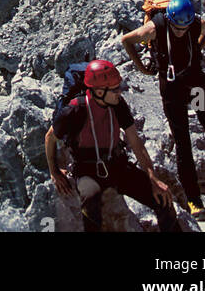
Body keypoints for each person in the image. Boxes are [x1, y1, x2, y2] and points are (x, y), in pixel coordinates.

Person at [121, 0, 205, 218]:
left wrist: (197, 49)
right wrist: (141, 67)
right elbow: (126, 40)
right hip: (172, 89)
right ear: (169, 20)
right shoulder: (156, 27)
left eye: (185, 28)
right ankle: (194, 200)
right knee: (183, 141)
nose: (181, 31)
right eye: (177, 28)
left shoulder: (197, 23)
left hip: (195, 85)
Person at [46, 60, 181, 233]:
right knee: (90, 203)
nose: (119, 92)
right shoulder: (76, 109)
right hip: (87, 171)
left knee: (162, 199)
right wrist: (54, 172)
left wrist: (153, 178)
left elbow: (136, 143)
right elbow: (50, 137)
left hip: (117, 166)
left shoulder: (118, 105)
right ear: (100, 91)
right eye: (115, 89)